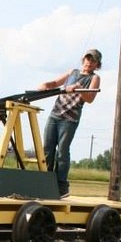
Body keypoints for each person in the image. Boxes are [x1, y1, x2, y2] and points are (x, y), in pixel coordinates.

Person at [38, 48, 102, 198]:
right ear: (83, 60)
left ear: (97, 65)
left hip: (69, 119)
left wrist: (78, 89)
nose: (89, 62)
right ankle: (46, 181)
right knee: (47, 148)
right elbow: (55, 83)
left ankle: (61, 186)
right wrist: (46, 85)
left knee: (62, 151)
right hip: (55, 114)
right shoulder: (73, 72)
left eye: (93, 60)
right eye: (88, 59)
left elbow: (90, 98)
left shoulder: (94, 78)